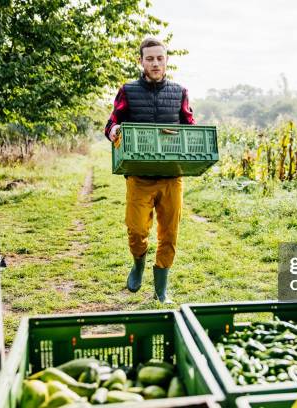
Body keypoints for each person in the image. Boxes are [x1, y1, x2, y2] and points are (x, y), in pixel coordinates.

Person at [104, 38, 195, 303]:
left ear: (166, 60)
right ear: (141, 61)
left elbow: (189, 124)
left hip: (171, 177)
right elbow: (111, 124)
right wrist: (114, 132)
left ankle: (161, 290)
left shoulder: (179, 91)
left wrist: (184, 134)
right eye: (150, 58)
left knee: (170, 234)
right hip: (139, 175)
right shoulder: (128, 91)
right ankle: (139, 264)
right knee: (136, 230)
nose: (155, 63)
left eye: (160, 58)